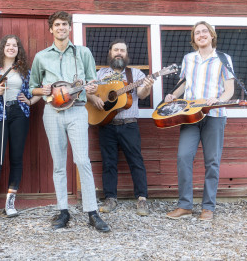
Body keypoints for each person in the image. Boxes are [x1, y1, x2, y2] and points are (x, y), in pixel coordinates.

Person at [29, 11, 110, 232]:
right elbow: (32, 87)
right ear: (50, 29)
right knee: (58, 163)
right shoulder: (41, 56)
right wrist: (42, 89)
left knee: (82, 161)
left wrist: (93, 87)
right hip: (52, 113)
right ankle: (63, 210)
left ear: (70, 28)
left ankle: (92, 212)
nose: (61, 28)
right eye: (57, 24)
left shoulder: (83, 53)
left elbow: (93, 81)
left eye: (65, 24)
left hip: (77, 110)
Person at [164, 21, 234, 221]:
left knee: (212, 162)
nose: (201, 35)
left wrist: (219, 100)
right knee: (183, 157)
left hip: (214, 116)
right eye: (197, 33)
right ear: (194, 38)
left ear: (212, 35)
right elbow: (185, 84)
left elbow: (229, 90)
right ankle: (185, 205)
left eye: (205, 31)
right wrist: (172, 96)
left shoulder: (223, 58)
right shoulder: (189, 58)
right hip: (191, 115)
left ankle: (208, 207)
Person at [0, 35, 40, 224]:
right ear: (2, 48)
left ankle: (10, 204)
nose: (11, 48)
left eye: (15, 45)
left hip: (19, 113)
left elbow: (36, 91)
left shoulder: (24, 70)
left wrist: (29, 101)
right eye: (8, 45)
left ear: (18, 49)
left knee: (17, 159)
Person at [88, 39, 154, 216]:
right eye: (116, 50)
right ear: (110, 53)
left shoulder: (136, 75)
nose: (119, 53)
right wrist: (95, 99)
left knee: (136, 162)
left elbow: (141, 94)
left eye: (122, 50)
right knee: (109, 163)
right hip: (106, 124)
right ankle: (110, 198)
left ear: (126, 54)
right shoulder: (100, 74)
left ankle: (142, 199)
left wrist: (146, 87)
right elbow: (90, 93)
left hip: (129, 124)